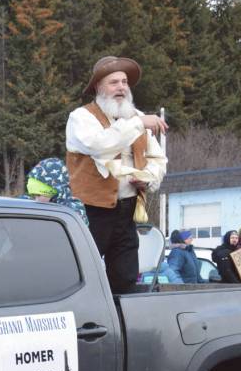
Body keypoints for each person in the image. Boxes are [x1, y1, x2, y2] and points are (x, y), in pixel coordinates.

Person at [66, 55, 168, 295]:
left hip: (127, 209)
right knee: (79, 273)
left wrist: (149, 178)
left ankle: (123, 328)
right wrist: (138, 123)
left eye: (124, 82)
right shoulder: (81, 118)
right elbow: (101, 144)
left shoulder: (136, 117)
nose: (121, 87)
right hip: (91, 210)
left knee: (125, 277)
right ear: (98, 87)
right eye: (114, 82)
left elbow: (157, 159)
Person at [23, 158, 89, 225]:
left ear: (54, 190)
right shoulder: (44, 203)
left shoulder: (70, 211)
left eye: (39, 195)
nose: (36, 200)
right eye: (33, 195)